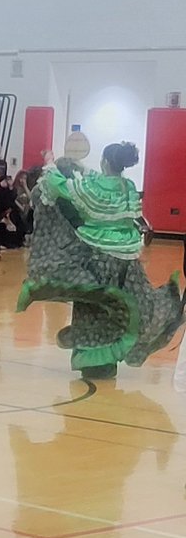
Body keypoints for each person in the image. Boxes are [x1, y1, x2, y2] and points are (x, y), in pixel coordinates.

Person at [18, 143, 185, 380]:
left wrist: (50, 163)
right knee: (127, 309)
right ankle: (108, 361)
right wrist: (80, 168)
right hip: (128, 263)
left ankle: (94, 363)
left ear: (105, 161)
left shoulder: (92, 187)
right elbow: (99, 181)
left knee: (94, 309)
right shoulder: (128, 186)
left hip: (99, 260)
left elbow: (58, 185)